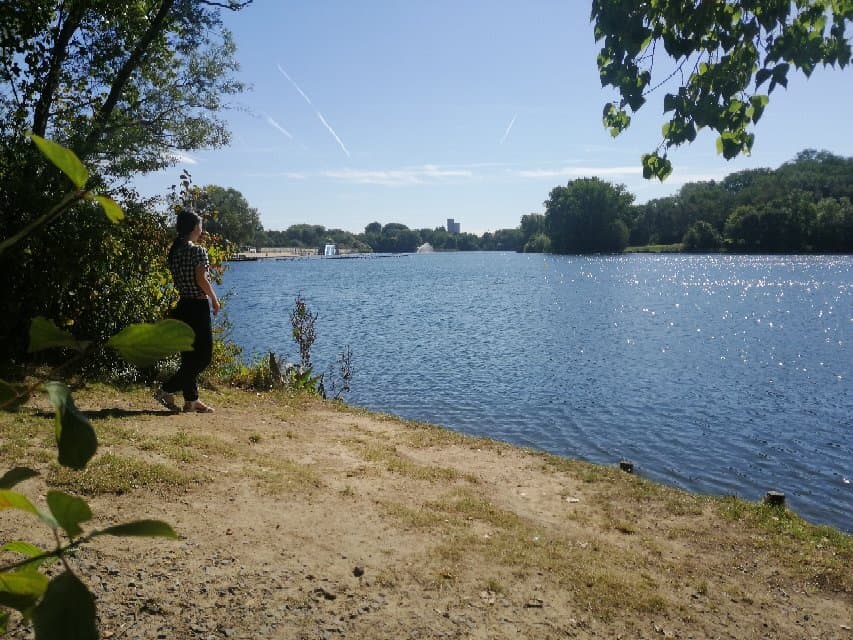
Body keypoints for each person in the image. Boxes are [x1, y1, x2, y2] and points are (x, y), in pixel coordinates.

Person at [155, 209, 221, 413]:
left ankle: (191, 400)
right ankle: (166, 390)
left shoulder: (175, 250)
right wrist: (214, 299)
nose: (202, 229)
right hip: (197, 306)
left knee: (190, 356)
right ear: (195, 228)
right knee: (203, 357)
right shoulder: (198, 251)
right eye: (200, 225)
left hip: (183, 305)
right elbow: (201, 279)